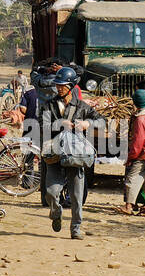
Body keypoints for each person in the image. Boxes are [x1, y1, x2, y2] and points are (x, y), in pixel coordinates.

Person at [37, 66, 102, 240]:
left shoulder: (82, 106)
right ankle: (56, 212)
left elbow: (101, 121)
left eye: (62, 85)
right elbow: (41, 125)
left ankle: (76, 228)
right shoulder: (48, 105)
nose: (59, 88)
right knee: (50, 192)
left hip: (76, 155)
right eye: (57, 85)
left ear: (71, 86)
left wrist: (88, 123)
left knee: (76, 195)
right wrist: (59, 124)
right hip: (54, 154)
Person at [120, 88, 145, 216]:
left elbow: (138, 141)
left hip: (143, 154)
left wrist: (131, 157)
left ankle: (128, 206)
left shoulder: (140, 119)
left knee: (131, 178)